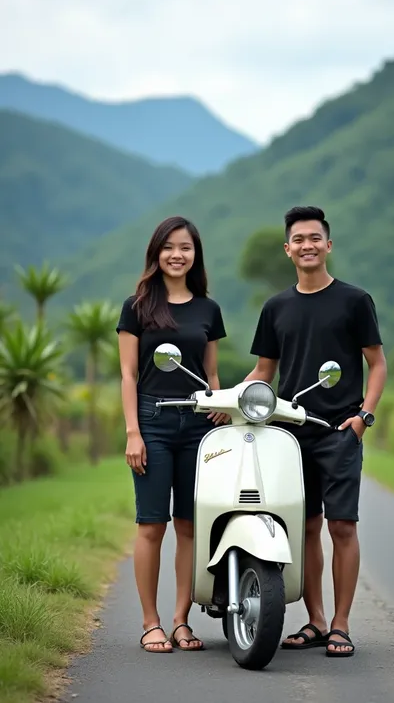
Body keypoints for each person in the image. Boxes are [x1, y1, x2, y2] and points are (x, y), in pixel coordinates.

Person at [244, 205, 387, 657]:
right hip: (290, 433)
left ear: (328, 244)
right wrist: (227, 399)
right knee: (304, 528)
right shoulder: (276, 307)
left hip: (341, 430)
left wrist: (363, 417)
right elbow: (264, 372)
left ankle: (341, 625)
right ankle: (316, 621)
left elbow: (377, 363)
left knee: (342, 527)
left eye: (314, 238)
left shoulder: (354, 300)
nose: (307, 245)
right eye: (298, 240)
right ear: (288, 250)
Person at [116, 215, 228, 653]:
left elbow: (212, 373)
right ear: (156, 253)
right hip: (153, 421)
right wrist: (133, 432)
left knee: (189, 525)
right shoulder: (137, 305)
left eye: (185, 247)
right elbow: (127, 375)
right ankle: (150, 622)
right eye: (169, 247)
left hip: (199, 423)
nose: (177, 254)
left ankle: (181, 621)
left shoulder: (208, 309)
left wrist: (220, 410)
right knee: (151, 525)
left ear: (195, 254)